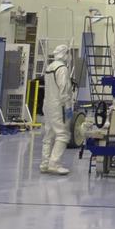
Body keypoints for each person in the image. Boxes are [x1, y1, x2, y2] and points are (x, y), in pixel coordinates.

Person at [40, 44, 74, 176]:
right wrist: (68, 107)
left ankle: (44, 163)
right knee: (62, 134)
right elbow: (64, 90)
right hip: (59, 106)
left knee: (48, 135)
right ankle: (54, 164)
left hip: (47, 105)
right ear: (65, 54)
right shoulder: (62, 69)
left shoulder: (50, 67)